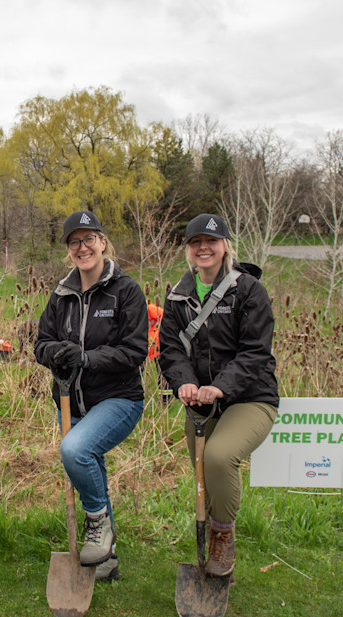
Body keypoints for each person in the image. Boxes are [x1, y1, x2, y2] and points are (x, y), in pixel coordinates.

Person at [158, 213, 279, 578]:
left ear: (225, 245)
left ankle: (223, 537)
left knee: (219, 457)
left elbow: (255, 352)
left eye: (211, 241)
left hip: (250, 398)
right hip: (199, 400)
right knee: (202, 474)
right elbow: (169, 348)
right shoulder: (178, 295)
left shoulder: (249, 291)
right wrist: (184, 382)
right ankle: (209, 545)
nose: (203, 248)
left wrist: (221, 386)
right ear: (188, 250)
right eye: (195, 242)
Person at [34, 210, 148, 581]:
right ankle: (108, 559)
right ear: (68, 249)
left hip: (118, 398)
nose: (82, 248)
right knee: (90, 465)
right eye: (74, 242)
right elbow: (41, 343)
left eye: (89, 240)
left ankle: (98, 524)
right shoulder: (62, 294)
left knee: (76, 450)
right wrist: (52, 354)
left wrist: (86, 358)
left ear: (102, 242)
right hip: (70, 399)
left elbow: (135, 352)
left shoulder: (126, 291)